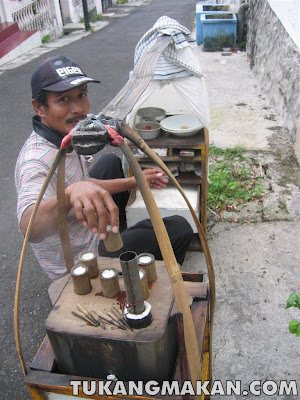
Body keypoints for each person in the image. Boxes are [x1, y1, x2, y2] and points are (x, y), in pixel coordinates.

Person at [15, 55, 193, 281]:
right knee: (179, 228)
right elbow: (29, 227)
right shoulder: (36, 160)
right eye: (63, 100)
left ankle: (120, 234)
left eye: (81, 95)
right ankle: (147, 282)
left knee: (108, 163)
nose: (78, 108)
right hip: (80, 262)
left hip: (89, 230)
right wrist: (71, 193)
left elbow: (84, 184)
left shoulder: (65, 135)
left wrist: (134, 181)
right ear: (39, 107)